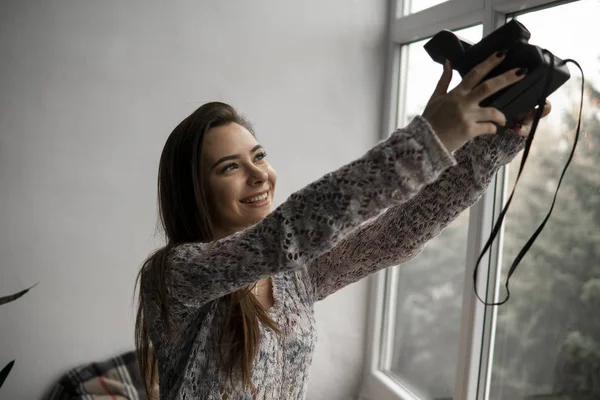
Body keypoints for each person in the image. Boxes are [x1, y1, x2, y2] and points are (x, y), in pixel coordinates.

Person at [134, 51, 551, 400]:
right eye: (230, 167)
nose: (258, 175)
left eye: (258, 156)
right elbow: (289, 232)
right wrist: (429, 139)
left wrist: (494, 142)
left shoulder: (292, 276)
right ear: (194, 191)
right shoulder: (175, 275)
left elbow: (394, 235)